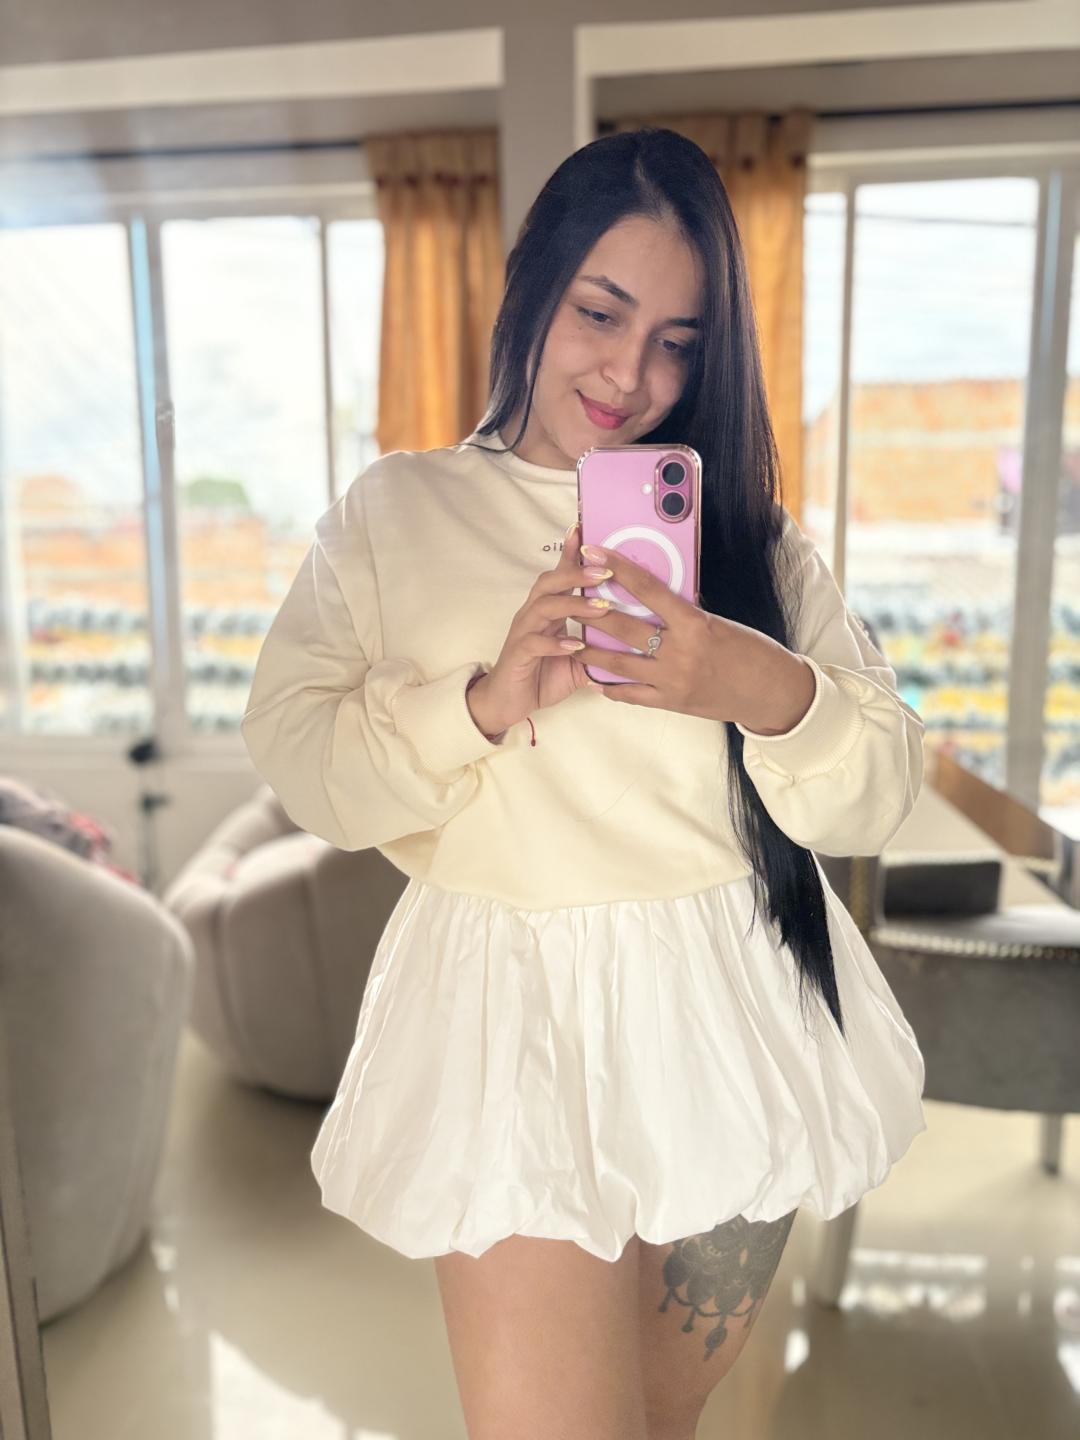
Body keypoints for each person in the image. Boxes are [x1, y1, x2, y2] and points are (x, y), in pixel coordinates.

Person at [240, 127, 928, 1440]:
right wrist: (483, 704)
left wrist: (751, 679)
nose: (630, 374)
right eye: (600, 313)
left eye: (678, 341)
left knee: (661, 1426)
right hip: (514, 1022)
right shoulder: (397, 513)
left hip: (733, 1017)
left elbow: (878, 791)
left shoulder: (751, 537)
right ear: (533, 287)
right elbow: (302, 760)